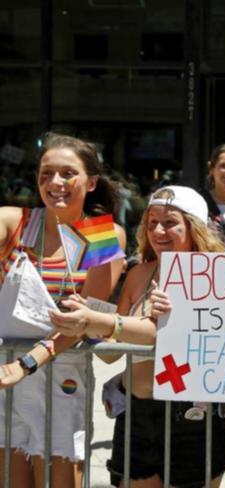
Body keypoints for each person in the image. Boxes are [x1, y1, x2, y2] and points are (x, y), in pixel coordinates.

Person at [48, 185, 225, 487]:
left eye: (171, 222)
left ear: (194, 227)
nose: (159, 231)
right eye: (152, 223)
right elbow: (110, 351)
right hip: (137, 413)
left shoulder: (211, 277)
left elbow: (158, 336)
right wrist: (91, 321)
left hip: (193, 416)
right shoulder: (138, 274)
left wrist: (104, 321)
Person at [0, 133, 126, 488]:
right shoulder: (13, 222)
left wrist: (26, 363)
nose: (55, 183)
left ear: (91, 182)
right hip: (5, 379)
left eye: (67, 173)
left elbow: (83, 321)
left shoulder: (105, 235)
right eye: (45, 173)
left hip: (61, 377)